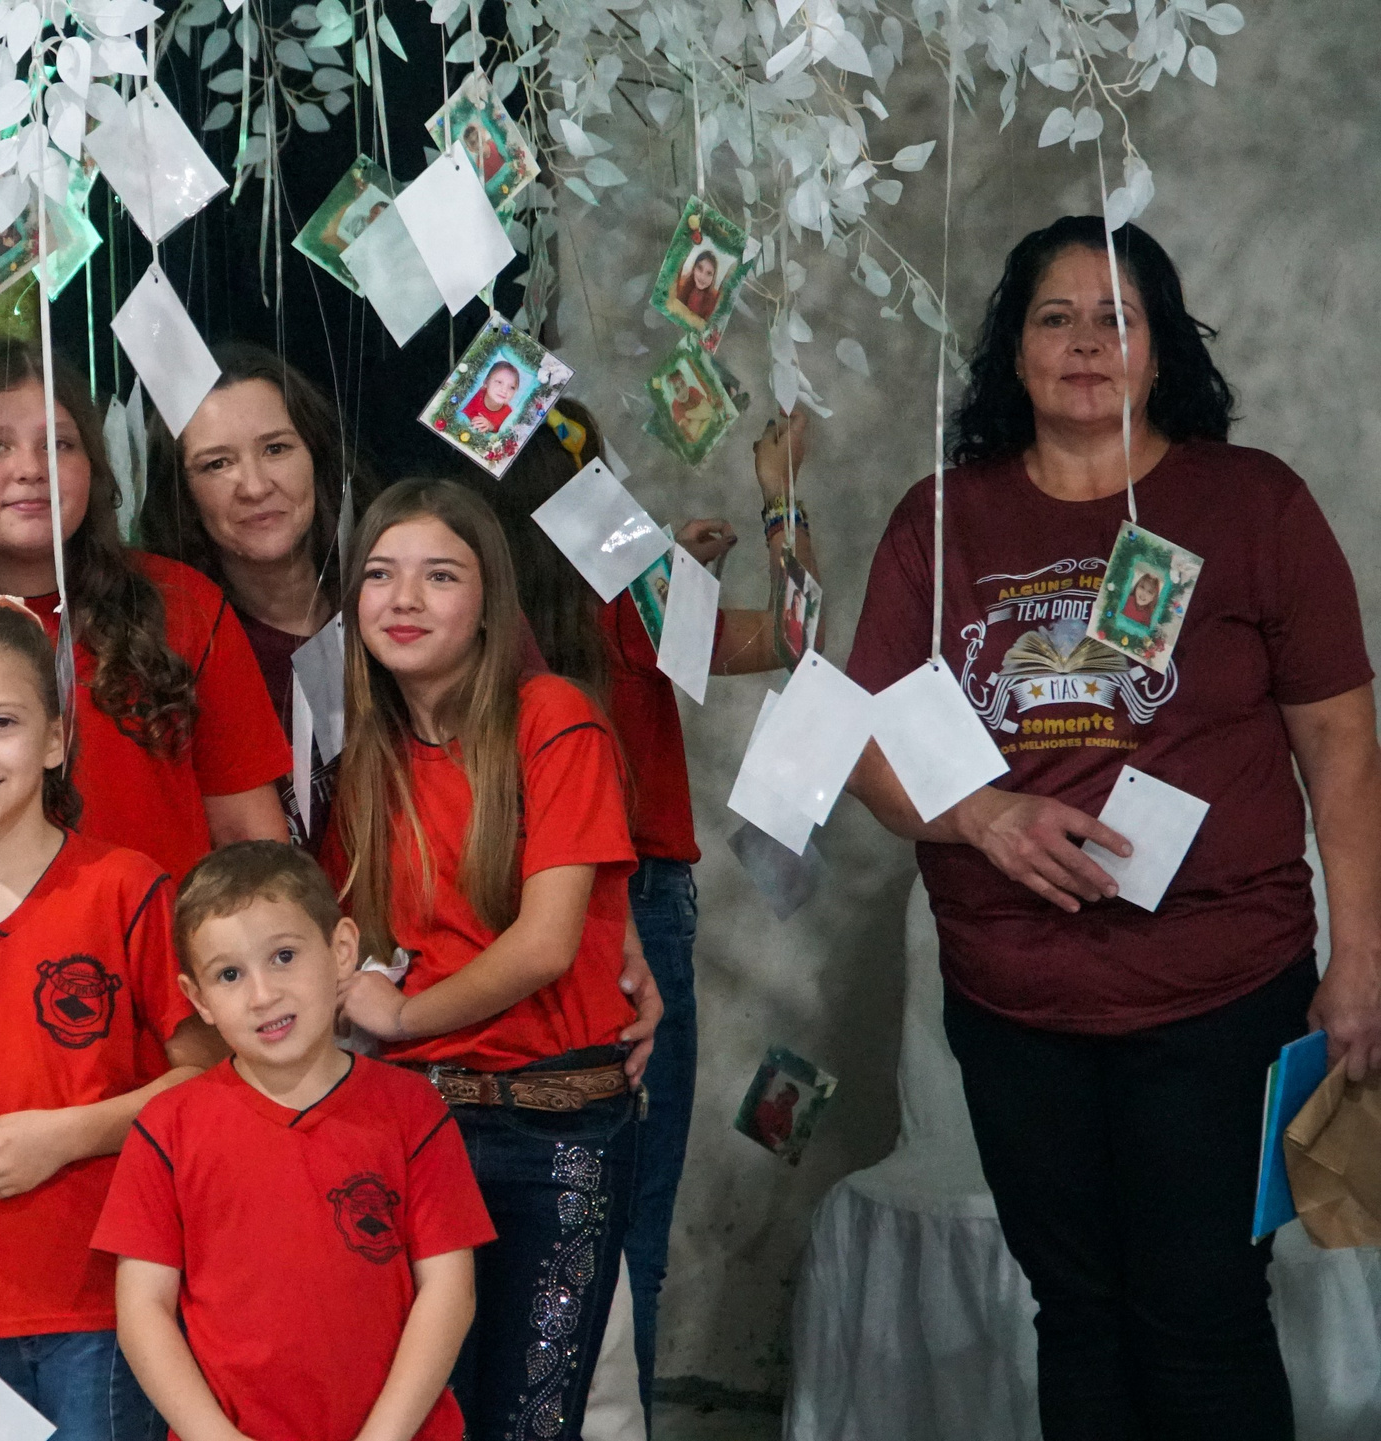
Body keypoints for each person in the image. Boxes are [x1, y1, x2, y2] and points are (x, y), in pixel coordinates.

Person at [842, 216, 1381, 1441]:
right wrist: (979, 815)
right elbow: (863, 742)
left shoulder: (1252, 504)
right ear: (1012, 350)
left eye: (1115, 318)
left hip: (1219, 993)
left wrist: (1360, 959)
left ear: (1160, 348)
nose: (1085, 343)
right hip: (1013, 1004)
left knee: (1203, 1314)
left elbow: (1341, 745)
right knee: (1076, 1314)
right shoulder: (942, 520)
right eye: (1055, 317)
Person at [467, 398, 821, 1406]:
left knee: (510, 1215)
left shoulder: (468, 603)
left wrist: (672, 574)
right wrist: (780, 496)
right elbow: (796, 631)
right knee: (628, 1219)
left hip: (496, 909)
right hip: (633, 908)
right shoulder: (627, 584)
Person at [0, 604, 222, 1440]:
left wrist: (66, 1135)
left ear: (56, 738)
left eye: (2, 723)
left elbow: (206, 1083)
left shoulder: (127, 889)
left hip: (112, 1303)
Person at [327, 479, 645, 1440]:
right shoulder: (371, 755)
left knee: (530, 1420)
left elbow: (546, 943)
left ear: (488, 600)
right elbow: (351, 931)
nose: (404, 598)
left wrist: (402, 1015)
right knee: (422, 1416)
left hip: (557, 1130)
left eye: (439, 575)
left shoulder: (553, 717)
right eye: (379, 574)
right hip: (417, 1125)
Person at [0, 337, 292, 881]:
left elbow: (250, 839)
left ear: (93, 466)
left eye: (58, 444)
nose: (31, 468)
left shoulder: (181, 603)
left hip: (166, 934)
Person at [97, 840, 493, 1441]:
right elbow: (143, 1311)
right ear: (198, 999)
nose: (263, 995)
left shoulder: (412, 1111)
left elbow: (448, 1290)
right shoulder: (166, 1128)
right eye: (230, 974)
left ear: (341, 951)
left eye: (283, 956)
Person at [140, 343, 387, 849]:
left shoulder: (398, 595)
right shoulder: (178, 653)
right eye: (216, 464)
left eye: (276, 449)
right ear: (181, 491)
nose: (253, 486)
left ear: (317, 455)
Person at [459, 362, 522, 432]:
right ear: (486, 382)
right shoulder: (474, 394)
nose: (504, 390)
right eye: (499, 382)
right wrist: (475, 420)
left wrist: (490, 426)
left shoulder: (509, 414)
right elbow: (460, 411)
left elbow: (500, 433)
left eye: (512, 387)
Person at [674, 248, 723, 326]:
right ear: (694, 268)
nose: (702, 277)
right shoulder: (682, 284)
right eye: (700, 268)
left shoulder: (713, 302)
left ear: (713, 278)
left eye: (709, 273)